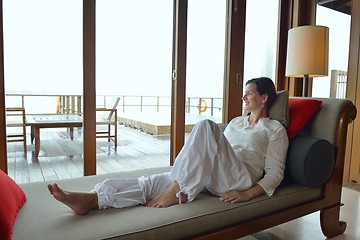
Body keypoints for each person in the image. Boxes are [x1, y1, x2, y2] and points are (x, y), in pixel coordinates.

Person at [48, 77, 289, 215]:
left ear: (264, 97)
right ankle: (92, 199)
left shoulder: (275, 130)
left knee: (206, 124)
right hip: (215, 175)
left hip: (239, 178)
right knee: (150, 182)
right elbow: (209, 152)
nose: (243, 98)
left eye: (248, 94)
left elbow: (275, 174)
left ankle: (177, 188)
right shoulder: (236, 122)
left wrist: (247, 194)